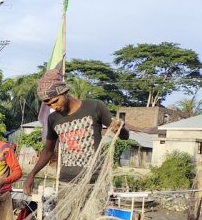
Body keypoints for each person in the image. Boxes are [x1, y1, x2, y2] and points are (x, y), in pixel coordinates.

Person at [23, 68, 128, 196]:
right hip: (66, 182)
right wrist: (32, 174)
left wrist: (120, 128)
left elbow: (124, 136)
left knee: (92, 216)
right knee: (64, 216)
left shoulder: (94, 107)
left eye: (56, 101)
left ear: (65, 93)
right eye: (49, 104)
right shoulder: (53, 119)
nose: (54, 106)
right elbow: (48, 151)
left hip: (93, 182)